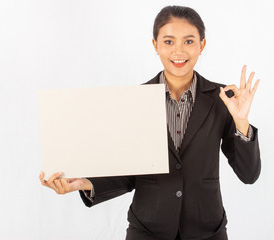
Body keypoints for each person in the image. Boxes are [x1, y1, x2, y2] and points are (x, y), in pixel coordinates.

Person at [39, 5, 261, 240]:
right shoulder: (136, 101)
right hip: (147, 230)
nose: (178, 51)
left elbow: (249, 174)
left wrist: (241, 120)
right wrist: (85, 183)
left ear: (201, 45)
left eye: (188, 41)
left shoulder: (223, 99)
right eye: (168, 41)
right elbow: (129, 172)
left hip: (206, 230)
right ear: (155, 45)